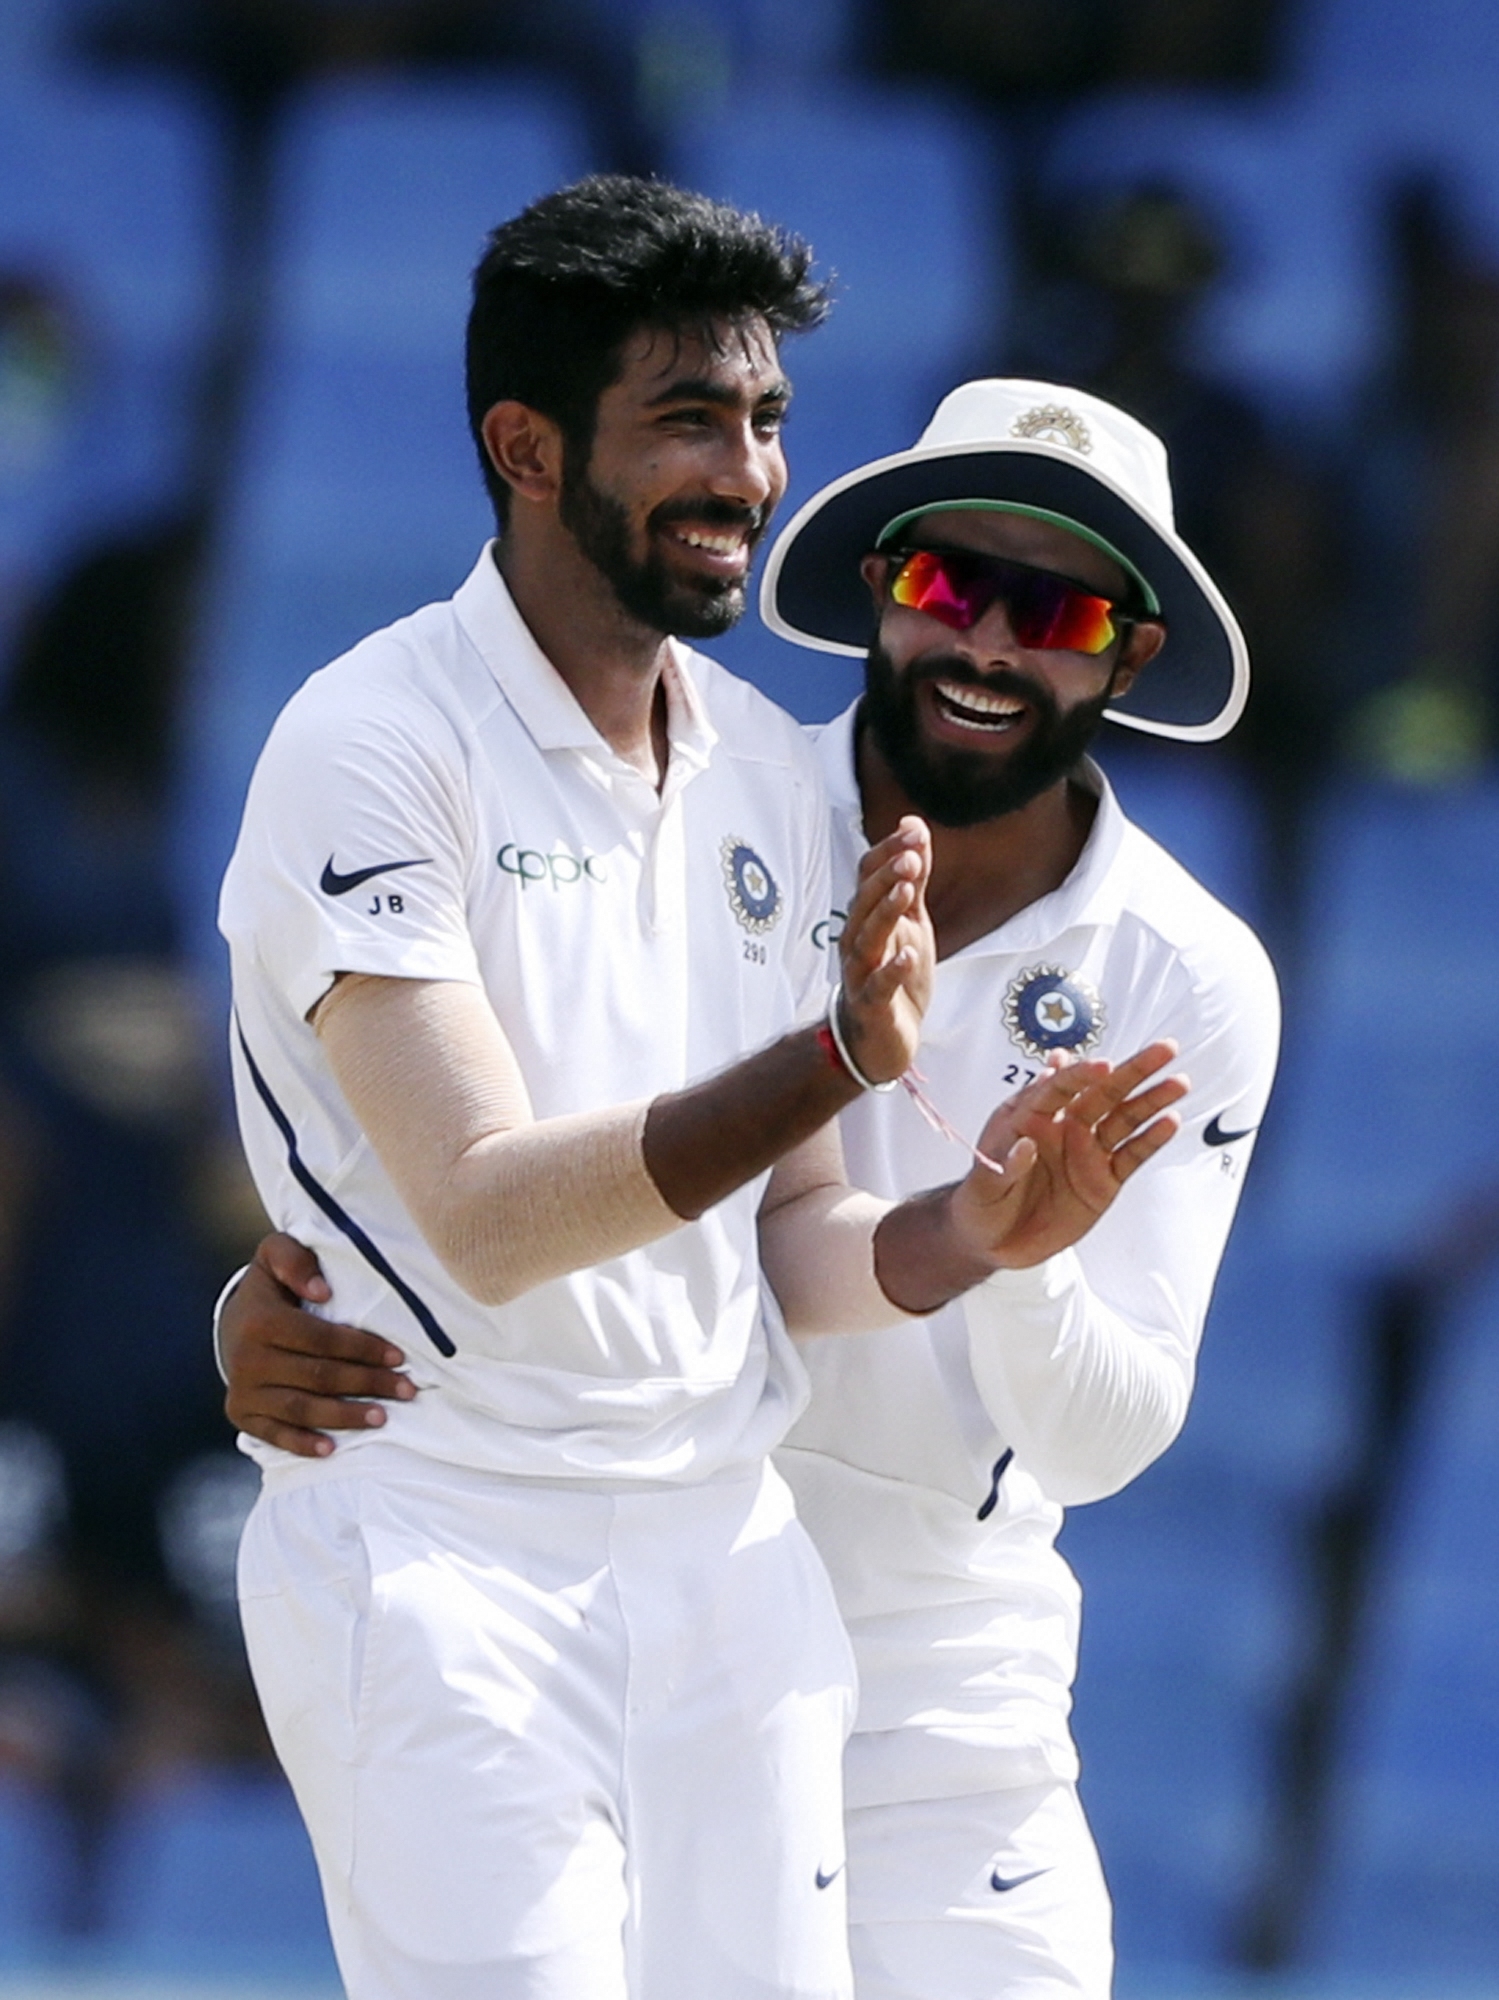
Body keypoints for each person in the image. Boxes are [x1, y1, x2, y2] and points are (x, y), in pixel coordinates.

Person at [214, 175, 1184, 2000]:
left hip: (724, 1566)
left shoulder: (768, 772)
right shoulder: (372, 744)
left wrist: (965, 1235)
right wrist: (830, 1056)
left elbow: (795, 1237)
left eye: (763, 421)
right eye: (686, 421)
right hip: (443, 1548)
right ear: (524, 444)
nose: (747, 473)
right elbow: (491, 1217)